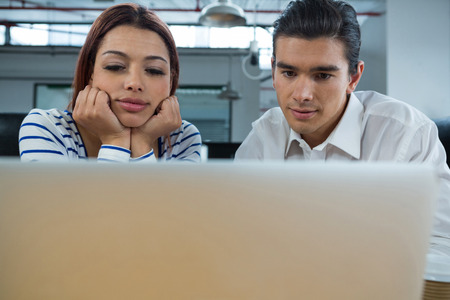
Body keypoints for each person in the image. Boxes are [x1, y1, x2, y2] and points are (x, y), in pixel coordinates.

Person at [235, 0, 450, 256]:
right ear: (273, 72)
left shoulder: (408, 135)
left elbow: (440, 245)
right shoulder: (262, 138)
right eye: (289, 73)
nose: (302, 94)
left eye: (323, 76)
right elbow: (239, 236)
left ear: (353, 78)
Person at [19, 3, 201, 163]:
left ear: (170, 79)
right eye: (115, 66)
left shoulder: (181, 138)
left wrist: (142, 143)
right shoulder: (47, 128)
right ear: (90, 72)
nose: (135, 83)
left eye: (154, 70)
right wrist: (116, 140)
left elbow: (161, 204)